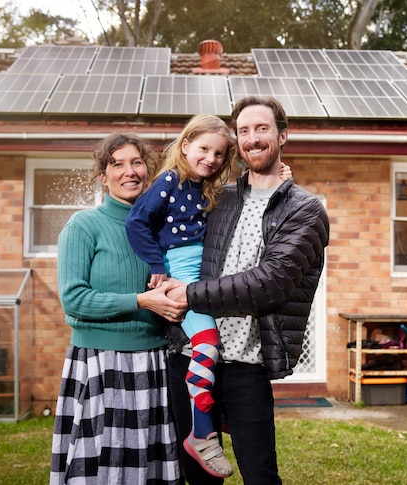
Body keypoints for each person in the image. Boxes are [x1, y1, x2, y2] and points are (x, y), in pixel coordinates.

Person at [167, 96, 330, 484]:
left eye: (262, 129)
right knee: (198, 475)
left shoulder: (305, 209)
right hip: (191, 355)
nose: (252, 139)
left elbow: (270, 283)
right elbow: (167, 214)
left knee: (260, 475)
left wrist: (187, 294)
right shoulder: (216, 198)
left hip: (247, 364)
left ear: (283, 135)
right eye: (243, 131)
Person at [50, 132, 188, 485]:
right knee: (103, 468)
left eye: (137, 162)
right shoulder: (84, 226)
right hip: (101, 363)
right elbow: (74, 299)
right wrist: (141, 300)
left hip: (153, 360)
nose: (130, 172)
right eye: (118, 164)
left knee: (147, 467)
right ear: (103, 177)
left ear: (149, 171)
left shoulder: (161, 228)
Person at [125, 115, 236, 478]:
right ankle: (202, 432)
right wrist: (157, 266)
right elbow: (137, 221)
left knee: (209, 349)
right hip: (181, 275)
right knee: (206, 345)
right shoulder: (170, 180)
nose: (211, 158)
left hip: (199, 277)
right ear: (185, 144)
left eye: (219, 154)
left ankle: (206, 427)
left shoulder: (202, 188)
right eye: (204, 148)